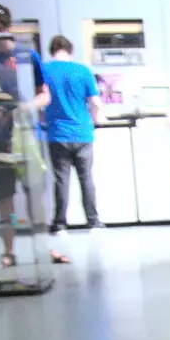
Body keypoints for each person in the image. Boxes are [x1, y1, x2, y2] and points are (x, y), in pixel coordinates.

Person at [0, 4, 67, 266]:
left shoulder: (27, 56)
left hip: (27, 135)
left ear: (7, 28)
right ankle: (8, 250)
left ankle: (44, 245)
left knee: (35, 191)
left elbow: (44, 95)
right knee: (4, 195)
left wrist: (24, 109)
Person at [40, 35, 102, 234]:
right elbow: (96, 103)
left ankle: (59, 224)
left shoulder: (44, 70)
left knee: (61, 180)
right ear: (71, 50)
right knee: (86, 179)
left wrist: (44, 121)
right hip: (82, 133)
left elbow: (41, 102)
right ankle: (93, 223)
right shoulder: (82, 70)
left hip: (57, 134)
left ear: (51, 50)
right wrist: (97, 121)